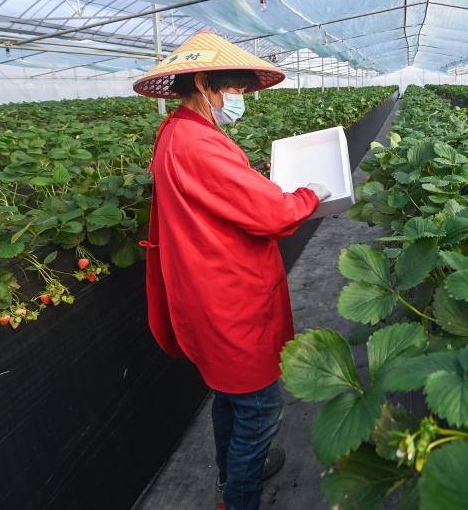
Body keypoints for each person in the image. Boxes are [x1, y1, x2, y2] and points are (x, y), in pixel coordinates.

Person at [133, 31, 330, 510]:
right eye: (235, 88)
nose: (238, 98)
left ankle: (233, 475)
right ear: (204, 83)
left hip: (205, 286)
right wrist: (309, 195)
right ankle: (239, 498)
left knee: (229, 396)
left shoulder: (177, 133)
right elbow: (271, 214)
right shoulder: (197, 143)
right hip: (227, 296)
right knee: (259, 407)